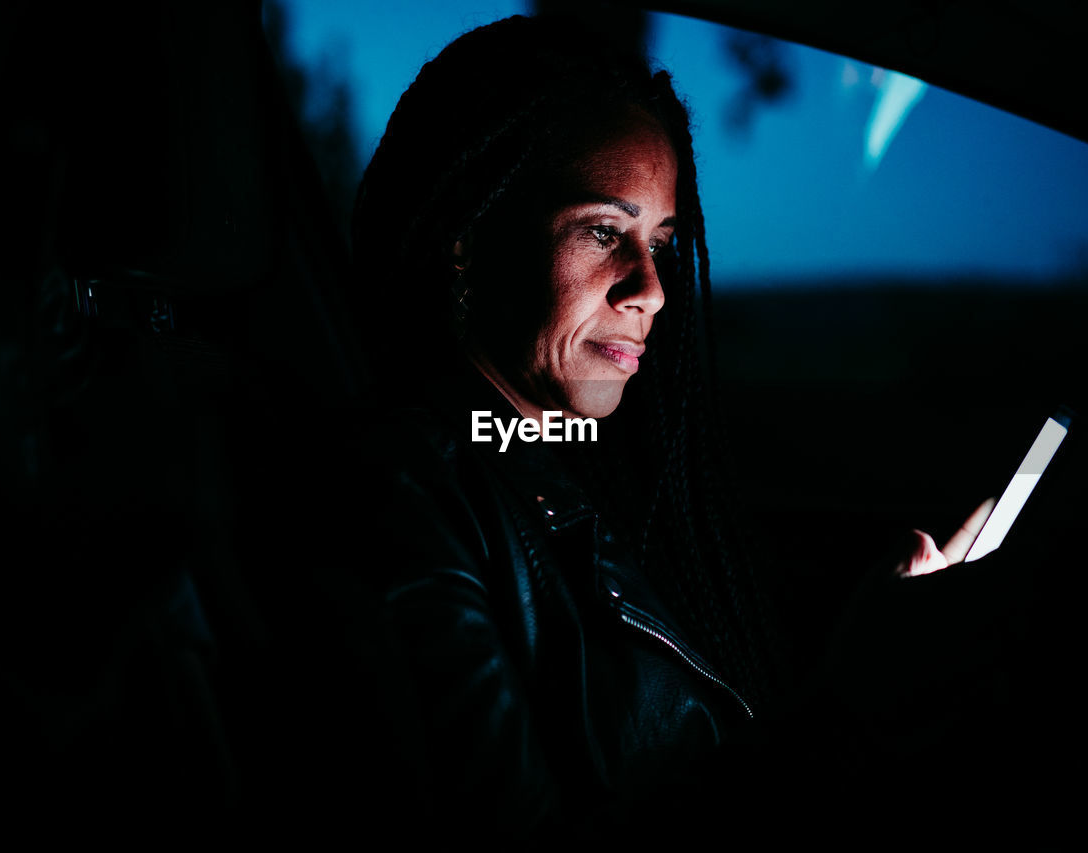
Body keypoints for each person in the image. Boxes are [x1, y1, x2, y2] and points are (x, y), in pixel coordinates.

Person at [338, 13, 987, 841]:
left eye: (662, 242)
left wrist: (875, 643)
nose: (651, 288)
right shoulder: (406, 496)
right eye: (605, 232)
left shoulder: (557, 460)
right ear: (469, 238)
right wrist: (849, 717)